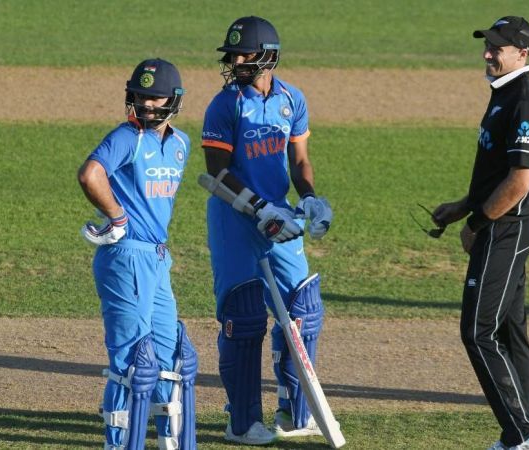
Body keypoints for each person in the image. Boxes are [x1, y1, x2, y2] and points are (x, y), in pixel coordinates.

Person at [201, 16, 334, 445]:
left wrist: (309, 196)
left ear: (268, 57)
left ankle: (295, 415)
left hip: (281, 219)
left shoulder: (291, 100)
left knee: (303, 310)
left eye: (244, 54)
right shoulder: (225, 105)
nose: (236, 61)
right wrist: (257, 208)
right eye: (233, 55)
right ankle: (241, 422)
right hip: (236, 220)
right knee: (244, 317)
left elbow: (299, 160)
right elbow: (216, 173)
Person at [432, 17, 529, 450]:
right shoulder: (504, 95)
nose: (487, 53)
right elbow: (497, 172)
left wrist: (477, 222)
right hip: (503, 225)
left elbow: (520, 180)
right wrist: (462, 205)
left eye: (497, 47)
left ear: (522, 54)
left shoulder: (524, 101)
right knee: (508, 331)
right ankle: (520, 434)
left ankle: (525, 436)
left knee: (478, 331)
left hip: (506, 230)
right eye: (487, 45)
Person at [77, 58, 198, 450]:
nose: (147, 105)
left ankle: (170, 441)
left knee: (168, 358)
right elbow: (90, 173)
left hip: (158, 258)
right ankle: (118, 445)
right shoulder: (127, 137)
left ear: (174, 100)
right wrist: (116, 216)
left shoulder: (180, 144)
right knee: (131, 362)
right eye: (141, 96)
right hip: (126, 256)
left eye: (155, 97)